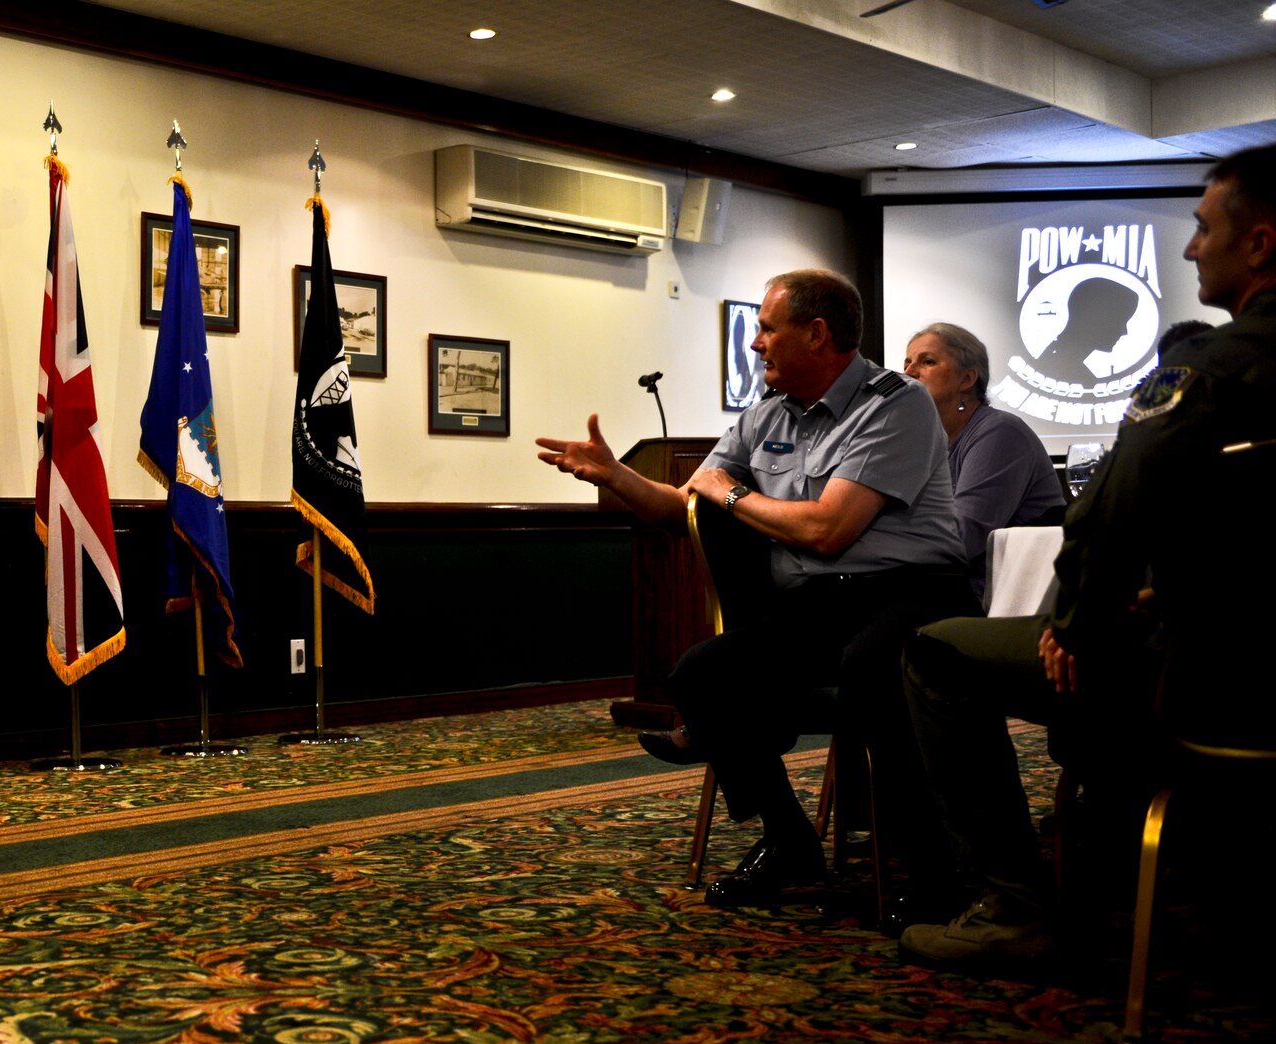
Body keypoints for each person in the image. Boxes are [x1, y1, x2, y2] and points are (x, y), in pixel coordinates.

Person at [899, 144, 1276, 970]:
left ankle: (1017, 905)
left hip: (1217, 683)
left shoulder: (1210, 369)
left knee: (936, 651)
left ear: (1260, 244)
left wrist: (1074, 623)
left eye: (1203, 228)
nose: (1190, 248)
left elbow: (1108, 513)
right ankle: (1179, 879)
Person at [537, 268, 975, 909]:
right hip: (820, 608)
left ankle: (932, 868)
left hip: (912, 594)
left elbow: (828, 529)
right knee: (702, 675)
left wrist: (733, 494)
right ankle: (790, 840)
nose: (755, 342)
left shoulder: (895, 403)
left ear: (817, 334)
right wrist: (617, 476)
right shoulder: (765, 415)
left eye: (767, 328)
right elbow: (686, 508)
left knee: (871, 668)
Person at [901, 323, 1066, 598]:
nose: (908, 373)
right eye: (906, 363)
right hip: (939, 585)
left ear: (967, 379)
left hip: (994, 598)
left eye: (927, 362)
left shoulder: (1000, 432)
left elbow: (961, 538)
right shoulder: (921, 441)